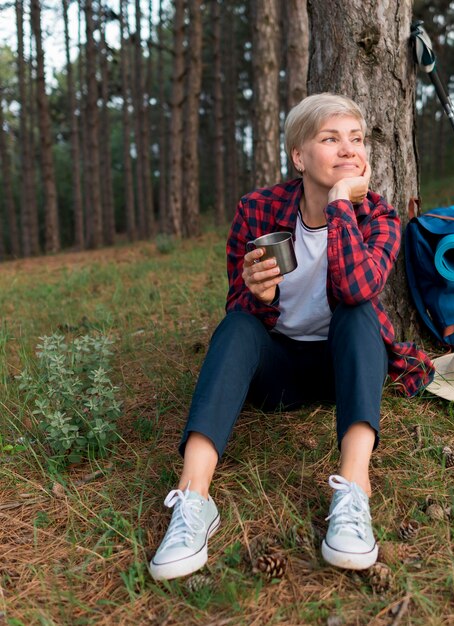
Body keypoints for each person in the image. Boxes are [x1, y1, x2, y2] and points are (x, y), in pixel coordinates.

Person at [148, 93, 434, 581]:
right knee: (236, 326)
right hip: (276, 374)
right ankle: (193, 502)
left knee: (359, 311)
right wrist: (255, 297)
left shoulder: (379, 218)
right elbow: (238, 307)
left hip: (343, 370)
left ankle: (353, 493)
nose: (348, 149)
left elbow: (356, 287)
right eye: (330, 139)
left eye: (356, 139)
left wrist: (341, 203)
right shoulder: (257, 211)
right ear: (299, 157)